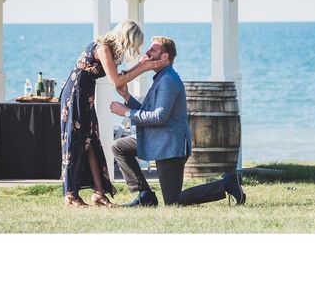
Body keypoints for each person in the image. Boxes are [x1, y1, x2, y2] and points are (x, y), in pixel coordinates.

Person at [110, 36, 246, 207]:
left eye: (153, 50)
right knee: (120, 146)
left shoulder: (168, 80)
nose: (147, 53)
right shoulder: (161, 78)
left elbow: (159, 117)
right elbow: (151, 112)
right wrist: (127, 97)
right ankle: (145, 195)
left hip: (170, 146)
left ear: (165, 57)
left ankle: (227, 184)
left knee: (173, 201)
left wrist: (127, 112)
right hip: (157, 139)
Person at [60, 20, 166, 208]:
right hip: (75, 95)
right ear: (126, 38)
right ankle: (70, 195)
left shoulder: (107, 49)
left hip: (86, 95)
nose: (132, 49)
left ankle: (99, 193)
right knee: (75, 142)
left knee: (92, 140)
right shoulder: (102, 49)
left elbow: (121, 76)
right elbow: (116, 81)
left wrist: (139, 66)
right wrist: (144, 67)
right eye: (133, 44)